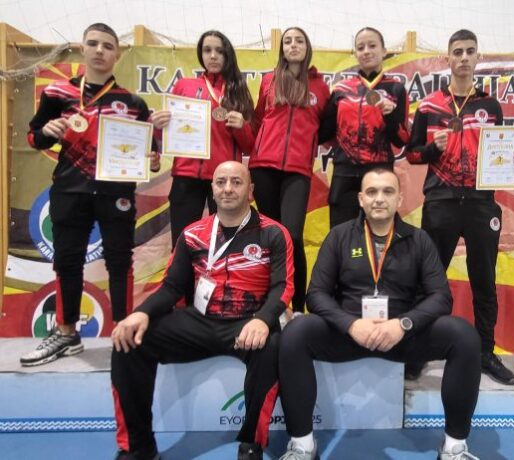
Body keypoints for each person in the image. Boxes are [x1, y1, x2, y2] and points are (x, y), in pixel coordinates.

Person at [278, 168, 482, 460]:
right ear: (361, 199)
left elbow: (441, 297)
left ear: (399, 199)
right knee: (295, 333)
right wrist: (351, 325)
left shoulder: (419, 239)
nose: (379, 198)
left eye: (388, 191)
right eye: (372, 192)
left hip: (400, 336)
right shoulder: (338, 236)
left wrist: (404, 324)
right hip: (349, 334)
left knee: (464, 336)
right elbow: (316, 295)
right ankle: (302, 445)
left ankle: (453, 447)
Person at [110, 161, 294, 460]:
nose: (228, 189)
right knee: (130, 342)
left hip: (249, 323)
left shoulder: (274, 232)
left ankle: (251, 444)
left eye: (236, 182)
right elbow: (171, 287)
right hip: (200, 321)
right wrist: (140, 313)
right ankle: (138, 447)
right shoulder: (192, 233)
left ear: (251, 190)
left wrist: (263, 320)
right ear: (213, 189)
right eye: (221, 182)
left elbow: (282, 287)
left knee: (272, 346)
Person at [21, 23, 159, 367]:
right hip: (70, 189)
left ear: (117, 54)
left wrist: (153, 158)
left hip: (117, 193)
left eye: (107, 46)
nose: (100, 50)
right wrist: (46, 131)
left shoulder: (133, 103)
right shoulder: (57, 92)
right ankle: (67, 332)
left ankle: (124, 332)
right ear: (82, 48)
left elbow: (151, 152)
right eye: (93, 44)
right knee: (67, 260)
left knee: (119, 261)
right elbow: (34, 137)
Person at [406, 29, 514, 384]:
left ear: (478, 58)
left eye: (469, 51)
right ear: (447, 58)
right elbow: (411, 154)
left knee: (484, 281)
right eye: (457, 52)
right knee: (429, 281)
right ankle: (417, 352)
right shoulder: (429, 105)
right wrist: (432, 149)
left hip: (481, 204)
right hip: (441, 202)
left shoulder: (490, 106)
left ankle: (485, 352)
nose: (463, 57)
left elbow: (502, 152)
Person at [249, 26, 330, 315]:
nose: (293, 45)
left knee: (292, 236)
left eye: (299, 41)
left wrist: (306, 146)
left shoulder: (320, 87)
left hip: (298, 171)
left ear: (307, 47)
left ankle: (297, 308)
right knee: (270, 239)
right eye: (287, 41)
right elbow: (258, 120)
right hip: (263, 168)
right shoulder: (268, 80)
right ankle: (271, 306)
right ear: (282, 48)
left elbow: (325, 130)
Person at [151, 30, 255, 247]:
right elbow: (167, 136)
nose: (213, 56)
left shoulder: (238, 91)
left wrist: (241, 127)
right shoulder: (184, 86)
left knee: (225, 244)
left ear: (227, 55)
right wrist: (159, 127)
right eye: (207, 50)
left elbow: (249, 146)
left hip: (224, 179)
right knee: (182, 243)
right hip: (186, 175)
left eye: (219, 51)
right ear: (201, 54)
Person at [318, 27, 410, 229]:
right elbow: (323, 133)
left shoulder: (395, 88)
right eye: (361, 47)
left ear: (384, 51)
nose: (366, 51)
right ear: (355, 53)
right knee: (342, 234)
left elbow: (402, 139)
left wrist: (391, 115)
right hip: (344, 174)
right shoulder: (341, 89)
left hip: (379, 173)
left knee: (380, 233)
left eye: (372, 46)